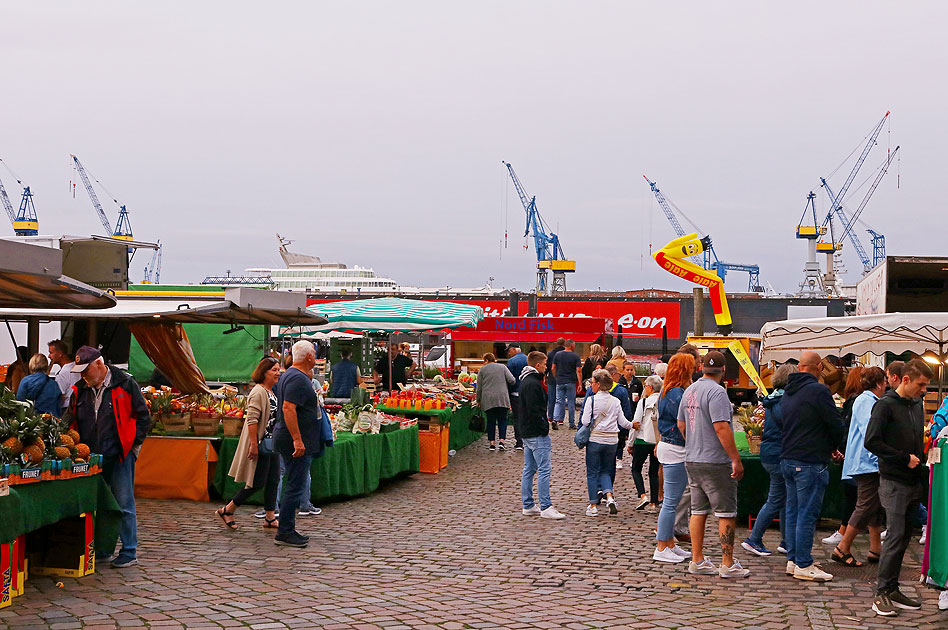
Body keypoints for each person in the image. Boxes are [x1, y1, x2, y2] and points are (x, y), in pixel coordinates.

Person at [63, 346, 150, 568]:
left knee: (123, 503)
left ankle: (129, 550)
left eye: (86, 370)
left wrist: (133, 445)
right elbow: (70, 419)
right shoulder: (80, 390)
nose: (83, 375)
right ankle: (102, 549)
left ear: (100, 365)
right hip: (92, 458)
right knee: (100, 503)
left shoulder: (125, 383)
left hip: (120, 454)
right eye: (80, 371)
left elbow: (143, 416)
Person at [864, 358, 932, 616]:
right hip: (894, 481)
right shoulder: (885, 406)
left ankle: (892, 589)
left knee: (904, 537)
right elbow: (872, 441)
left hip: (913, 480)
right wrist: (903, 458)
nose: (924, 389)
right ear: (905, 380)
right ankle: (881, 593)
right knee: (894, 537)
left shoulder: (916, 404)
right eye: (921, 384)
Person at [677, 351, 748, 578]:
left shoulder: (690, 390)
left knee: (697, 510)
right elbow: (721, 427)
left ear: (702, 368)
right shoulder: (717, 393)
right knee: (726, 512)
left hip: (693, 457)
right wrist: (735, 458)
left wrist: (694, 442)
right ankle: (727, 563)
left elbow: (680, 424)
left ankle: (697, 559)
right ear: (723, 370)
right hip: (715, 460)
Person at [776, 350, 846, 583]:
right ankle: (804, 563)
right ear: (818, 367)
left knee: (793, 511)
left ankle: (794, 560)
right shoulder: (818, 390)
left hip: (788, 458)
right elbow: (835, 423)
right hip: (809, 460)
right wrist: (835, 446)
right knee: (807, 514)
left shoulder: (788, 391)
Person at [217, 358, 283, 530]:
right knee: (257, 482)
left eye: (278, 369)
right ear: (264, 372)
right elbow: (251, 420)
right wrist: (254, 444)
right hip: (261, 443)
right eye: (274, 370)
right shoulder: (258, 392)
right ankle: (228, 509)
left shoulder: (271, 391)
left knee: (273, 479)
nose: (278, 373)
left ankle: (270, 517)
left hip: (272, 443)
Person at [832, 366, 887, 567]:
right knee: (865, 505)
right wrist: (879, 457)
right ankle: (843, 547)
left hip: (868, 461)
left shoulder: (868, 400)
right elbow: (869, 432)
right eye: (885, 382)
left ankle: (875, 549)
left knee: (873, 505)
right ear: (880, 383)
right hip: (867, 462)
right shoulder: (866, 401)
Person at [273, 340, 326, 548]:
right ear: (309, 357)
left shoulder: (294, 375)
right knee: (295, 485)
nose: (315, 356)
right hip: (294, 440)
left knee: (294, 484)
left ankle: (287, 529)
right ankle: (285, 531)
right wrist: (297, 439)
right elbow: (288, 408)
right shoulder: (296, 378)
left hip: (294, 438)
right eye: (314, 353)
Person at [741, 363, 797, 556]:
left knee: (784, 498)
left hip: (770, 451)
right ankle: (754, 539)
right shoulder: (785, 401)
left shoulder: (773, 399)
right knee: (776, 499)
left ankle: (786, 541)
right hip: (779, 453)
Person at [652, 353, 696, 563]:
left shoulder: (668, 391)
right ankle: (662, 546)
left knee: (673, 499)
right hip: (676, 448)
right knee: (670, 501)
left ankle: (669, 542)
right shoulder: (678, 393)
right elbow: (685, 423)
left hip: (670, 446)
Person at [579, 369, 633, 516]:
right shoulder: (615, 401)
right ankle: (609, 497)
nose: (591, 385)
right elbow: (623, 422)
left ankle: (593, 505)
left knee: (592, 472)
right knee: (606, 471)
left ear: (598, 384)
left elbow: (584, 421)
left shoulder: (591, 400)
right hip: (612, 441)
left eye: (593, 382)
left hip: (595, 439)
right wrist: (633, 425)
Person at [518, 351, 565, 520]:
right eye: (545, 364)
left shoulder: (525, 380)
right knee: (544, 469)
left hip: (527, 430)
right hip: (536, 432)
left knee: (529, 469)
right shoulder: (533, 383)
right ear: (537, 365)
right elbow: (535, 409)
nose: (546, 367)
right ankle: (545, 506)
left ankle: (528, 504)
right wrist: (543, 426)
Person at [822, 366, 865, 547]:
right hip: (852, 454)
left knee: (854, 495)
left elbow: (848, 430)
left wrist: (841, 449)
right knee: (857, 496)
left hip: (852, 455)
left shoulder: (855, 401)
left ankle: (844, 534)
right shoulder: (858, 401)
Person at [630, 375, 663, 512]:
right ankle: (654, 503)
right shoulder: (663, 402)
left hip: (642, 440)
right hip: (656, 441)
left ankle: (643, 495)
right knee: (654, 472)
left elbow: (636, 423)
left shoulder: (643, 402)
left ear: (649, 388)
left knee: (636, 468)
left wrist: (630, 443)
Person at [476, 353, 515, 451]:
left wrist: (478, 400)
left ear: (486, 360)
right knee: (502, 420)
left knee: (491, 421)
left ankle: (492, 443)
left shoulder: (482, 370)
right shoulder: (502, 367)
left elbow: (479, 387)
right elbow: (512, 380)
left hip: (488, 399)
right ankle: (502, 441)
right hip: (502, 398)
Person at [602, 364, 633, 478]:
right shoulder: (621, 390)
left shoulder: (595, 388)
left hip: (599, 430)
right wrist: (626, 430)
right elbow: (626, 411)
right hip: (616, 428)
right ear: (613, 375)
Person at [552, 339, 582, 429]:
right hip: (571, 381)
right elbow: (578, 370)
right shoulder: (575, 356)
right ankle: (571, 423)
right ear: (572, 345)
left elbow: (553, 368)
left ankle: (555, 419)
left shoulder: (557, 355)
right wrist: (580, 383)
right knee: (571, 403)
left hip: (560, 381)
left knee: (559, 401)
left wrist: (556, 377)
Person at [506, 344, 528, 450]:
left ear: (514, 350)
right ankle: (528, 439)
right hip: (528, 393)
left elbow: (509, 379)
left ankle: (519, 441)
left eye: (509, 351)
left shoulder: (511, 361)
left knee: (517, 417)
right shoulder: (528, 359)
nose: (509, 353)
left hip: (515, 393)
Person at [50, 340, 81, 408]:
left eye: (51, 353)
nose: (49, 356)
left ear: (60, 353)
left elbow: (59, 396)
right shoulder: (78, 367)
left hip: (66, 409)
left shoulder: (62, 374)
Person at [545, 338, 566, 427]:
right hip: (563, 378)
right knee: (561, 399)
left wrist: (545, 375)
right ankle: (560, 419)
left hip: (552, 378)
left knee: (551, 398)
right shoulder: (567, 353)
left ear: (556, 344)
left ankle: (550, 416)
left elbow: (548, 366)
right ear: (564, 344)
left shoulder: (551, 353)